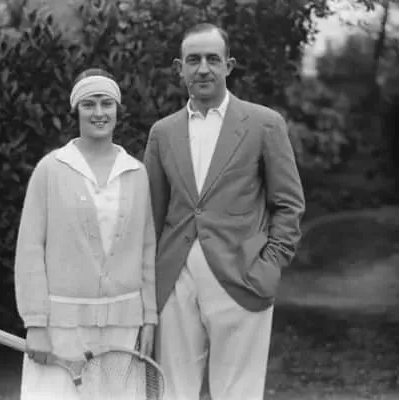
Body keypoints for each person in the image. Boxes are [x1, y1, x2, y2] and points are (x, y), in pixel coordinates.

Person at [143, 23, 306, 400]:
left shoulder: (265, 124)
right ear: (179, 68)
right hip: (175, 285)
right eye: (193, 60)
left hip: (243, 280)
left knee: (238, 393)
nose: (203, 69)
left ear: (228, 66)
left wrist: (268, 266)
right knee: (172, 392)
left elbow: (289, 204)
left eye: (212, 59)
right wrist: (150, 281)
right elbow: (151, 214)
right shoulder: (162, 133)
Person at [14, 68, 157, 400]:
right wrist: (35, 323)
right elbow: (30, 249)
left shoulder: (136, 173)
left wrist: (149, 317)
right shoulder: (50, 169)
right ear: (76, 111)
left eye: (106, 103)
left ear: (117, 110)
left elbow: (147, 250)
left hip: (123, 327)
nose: (99, 112)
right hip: (61, 328)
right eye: (89, 104)